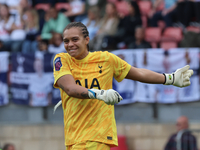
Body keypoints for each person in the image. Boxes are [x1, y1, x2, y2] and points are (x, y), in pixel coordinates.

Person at [53, 22, 193, 150]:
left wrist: (170, 78)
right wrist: (99, 93)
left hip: (96, 137)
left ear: (87, 40)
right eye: (66, 41)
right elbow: (70, 88)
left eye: (75, 39)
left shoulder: (106, 59)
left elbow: (138, 73)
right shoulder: (62, 59)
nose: (70, 44)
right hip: (73, 139)